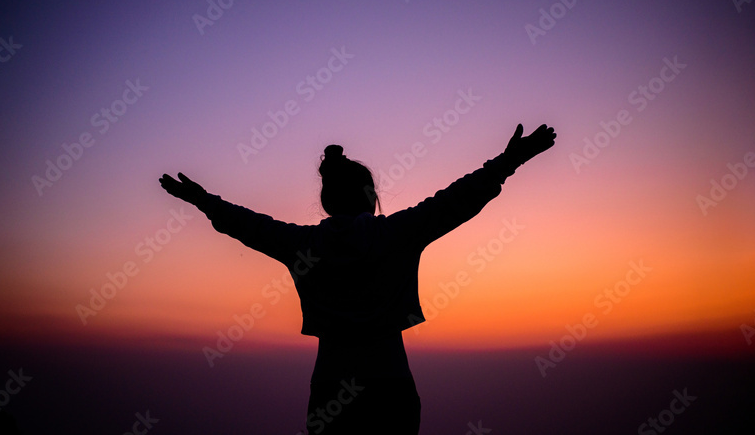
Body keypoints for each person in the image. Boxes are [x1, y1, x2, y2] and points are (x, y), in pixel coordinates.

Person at [160, 123, 556, 434]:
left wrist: (203, 201)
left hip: (330, 391)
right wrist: (508, 162)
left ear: (326, 201)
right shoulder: (397, 234)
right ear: (370, 197)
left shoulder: (304, 245)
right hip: (391, 390)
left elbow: (248, 225)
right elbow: (456, 200)